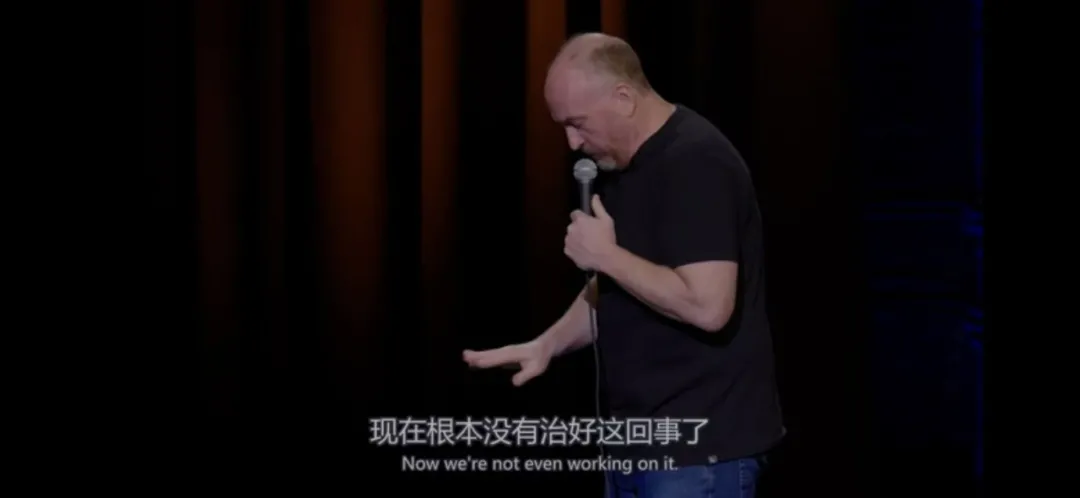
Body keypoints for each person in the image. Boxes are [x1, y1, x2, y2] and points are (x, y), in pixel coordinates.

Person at [463, 32, 785, 498]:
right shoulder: (624, 167)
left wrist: (607, 256)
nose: (572, 142)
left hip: (696, 455)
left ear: (624, 98)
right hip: (637, 446)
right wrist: (548, 344)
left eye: (578, 124)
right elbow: (618, 285)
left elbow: (709, 306)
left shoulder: (697, 163)